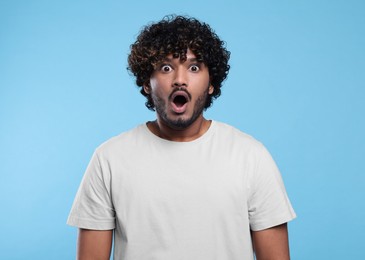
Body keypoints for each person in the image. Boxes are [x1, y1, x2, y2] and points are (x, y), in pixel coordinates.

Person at [67, 15, 296, 260]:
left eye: (194, 68)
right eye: (166, 68)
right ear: (147, 82)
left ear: (211, 84)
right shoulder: (109, 159)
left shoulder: (251, 157)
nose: (179, 79)